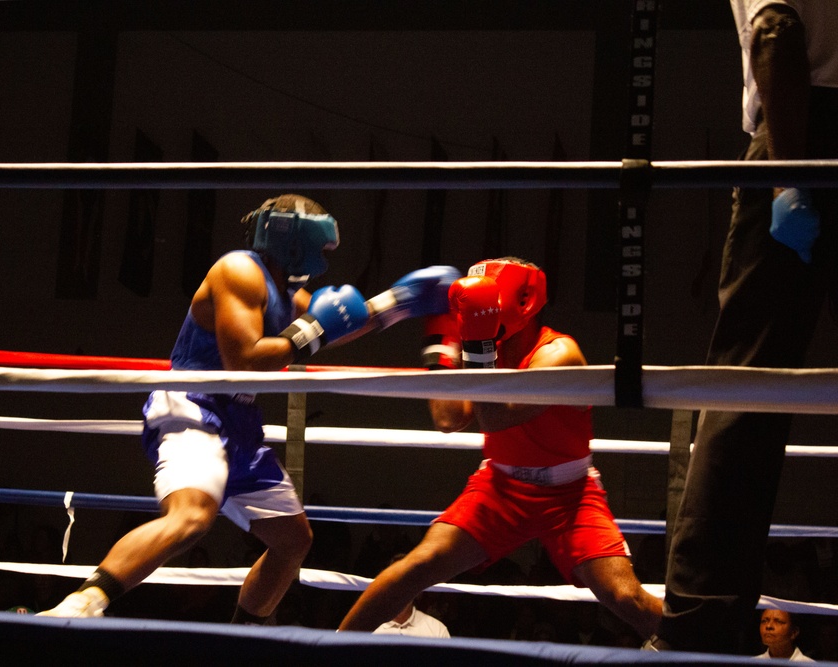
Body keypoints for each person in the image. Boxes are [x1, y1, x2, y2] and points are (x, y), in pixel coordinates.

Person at [39, 194, 459, 622]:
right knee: (191, 518)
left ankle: (244, 638)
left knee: (292, 541)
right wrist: (315, 329)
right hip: (194, 404)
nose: (325, 258)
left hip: (239, 421)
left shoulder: (285, 290)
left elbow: (343, 319)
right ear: (296, 238)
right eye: (323, 247)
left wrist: (401, 301)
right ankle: (80, 606)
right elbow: (245, 359)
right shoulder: (238, 270)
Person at [337, 258, 662, 640]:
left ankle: (711, 651)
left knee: (626, 597)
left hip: (568, 495)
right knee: (418, 565)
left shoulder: (558, 354)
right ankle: (329, 650)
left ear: (521, 302)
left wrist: (473, 343)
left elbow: (494, 418)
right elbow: (448, 419)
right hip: (500, 486)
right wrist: (440, 338)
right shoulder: (482, 345)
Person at [650, 2, 838, 653]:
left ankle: (698, 619)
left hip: (802, 130)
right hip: (809, 123)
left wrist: (787, 178)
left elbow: (777, 33)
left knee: (744, 389)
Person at [372, 554, 451, 638]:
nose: (402, 588)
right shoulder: (369, 628)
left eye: (408, 580)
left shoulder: (437, 630)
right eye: (396, 578)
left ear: (417, 588)